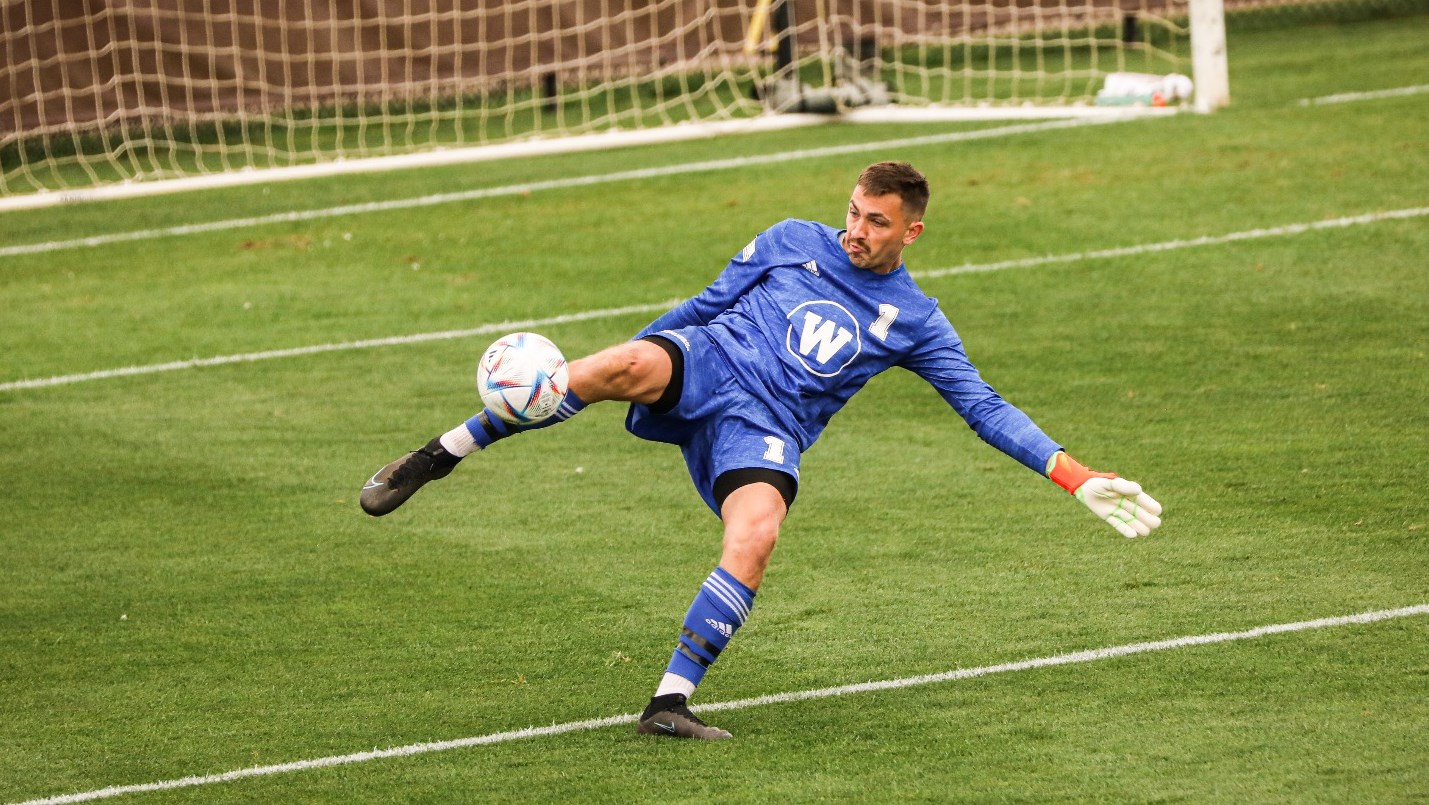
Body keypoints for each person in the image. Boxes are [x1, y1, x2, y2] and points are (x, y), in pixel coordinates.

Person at [359, 161, 1162, 740]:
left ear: (910, 231)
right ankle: (440, 453)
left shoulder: (916, 320)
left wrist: (1074, 473)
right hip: (707, 359)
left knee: (756, 534)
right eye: (852, 211)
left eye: (875, 221)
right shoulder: (788, 238)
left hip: (767, 426)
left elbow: (982, 407)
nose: (856, 230)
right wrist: (651, 356)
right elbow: (703, 304)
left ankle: (667, 701)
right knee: (624, 361)